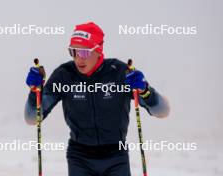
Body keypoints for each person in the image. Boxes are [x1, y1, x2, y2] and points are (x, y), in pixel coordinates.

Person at [25, 22, 170, 176]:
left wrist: (144, 90)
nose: (78, 58)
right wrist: (35, 92)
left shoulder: (119, 72)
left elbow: (162, 112)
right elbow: (32, 118)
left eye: (85, 52)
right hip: (79, 156)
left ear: (98, 50)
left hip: (116, 155)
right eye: (73, 51)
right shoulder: (64, 75)